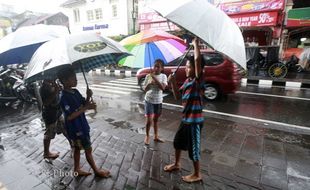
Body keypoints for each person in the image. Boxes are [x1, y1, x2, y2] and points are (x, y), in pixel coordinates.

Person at [57, 66, 110, 177]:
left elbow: (83, 105)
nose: (76, 80)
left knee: (77, 149)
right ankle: (96, 171)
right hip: (76, 129)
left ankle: (77, 169)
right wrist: (86, 108)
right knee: (88, 148)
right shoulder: (63, 97)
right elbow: (70, 117)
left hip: (82, 125)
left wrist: (88, 97)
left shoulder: (75, 92)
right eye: (73, 78)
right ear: (65, 81)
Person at [166, 37, 204, 183]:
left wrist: (195, 45)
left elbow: (198, 61)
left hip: (194, 122)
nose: (187, 68)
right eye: (186, 66)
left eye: (190, 66)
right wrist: (173, 83)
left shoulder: (197, 81)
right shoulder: (188, 82)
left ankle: (197, 173)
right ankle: (176, 164)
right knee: (177, 142)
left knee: (194, 149)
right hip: (185, 120)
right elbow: (177, 96)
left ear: (197, 69)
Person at [40, 79, 71, 159]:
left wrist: (59, 89)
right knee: (49, 133)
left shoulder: (54, 83)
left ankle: (73, 145)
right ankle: (46, 153)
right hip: (50, 115)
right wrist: (56, 91)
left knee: (65, 128)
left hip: (58, 112)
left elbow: (59, 95)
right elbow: (46, 103)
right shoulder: (44, 88)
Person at [143, 59, 168, 145]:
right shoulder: (148, 76)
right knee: (149, 120)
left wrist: (155, 79)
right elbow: (144, 90)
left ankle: (156, 136)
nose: (156, 68)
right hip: (149, 100)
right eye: (155, 66)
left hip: (158, 101)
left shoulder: (164, 76)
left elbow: (163, 88)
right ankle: (147, 136)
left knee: (156, 120)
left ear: (162, 68)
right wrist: (149, 84)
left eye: (158, 66)